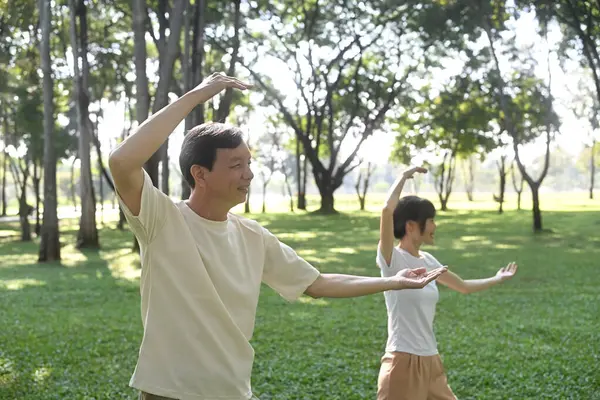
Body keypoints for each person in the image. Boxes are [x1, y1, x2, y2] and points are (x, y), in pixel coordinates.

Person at [108, 72, 448, 400]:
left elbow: (317, 283)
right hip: (171, 392)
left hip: (232, 391)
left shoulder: (252, 235)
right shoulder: (162, 219)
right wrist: (198, 94)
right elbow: (123, 161)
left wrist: (394, 281)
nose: (249, 174)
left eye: (249, 163)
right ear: (200, 174)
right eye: (236, 165)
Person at [376, 166, 518, 400]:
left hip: (431, 359)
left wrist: (497, 278)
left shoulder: (428, 260)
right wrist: (403, 177)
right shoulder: (392, 259)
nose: (434, 226)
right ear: (411, 226)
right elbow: (385, 211)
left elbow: (462, 286)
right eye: (430, 220)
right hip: (403, 362)